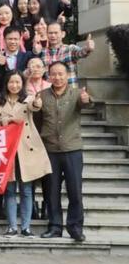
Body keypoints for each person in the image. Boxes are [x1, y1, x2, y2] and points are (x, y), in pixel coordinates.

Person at [0, 70, 52, 238]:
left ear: (22, 84)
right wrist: (7, 121)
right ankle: (12, 227)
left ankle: (26, 227)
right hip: (6, 150)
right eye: (11, 82)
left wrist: (37, 101)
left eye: (18, 82)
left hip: (26, 149)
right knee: (9, 190)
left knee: (26, 190)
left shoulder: (28, 99)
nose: (14, 85)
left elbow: (35, 106)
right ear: (6, 84)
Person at [37, 61, 93, 242]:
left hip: (72, 149)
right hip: (50, 150)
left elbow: (86, 104)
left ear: (67, 75)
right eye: (53, 74)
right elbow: (37, 121)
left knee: (74, 190)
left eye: (61, 74)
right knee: (51, 191)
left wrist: (86, 99)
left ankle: (75, 228)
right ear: (49, 76)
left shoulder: (76, 94)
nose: (57, 77)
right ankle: (54, 226)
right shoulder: (42, 95)